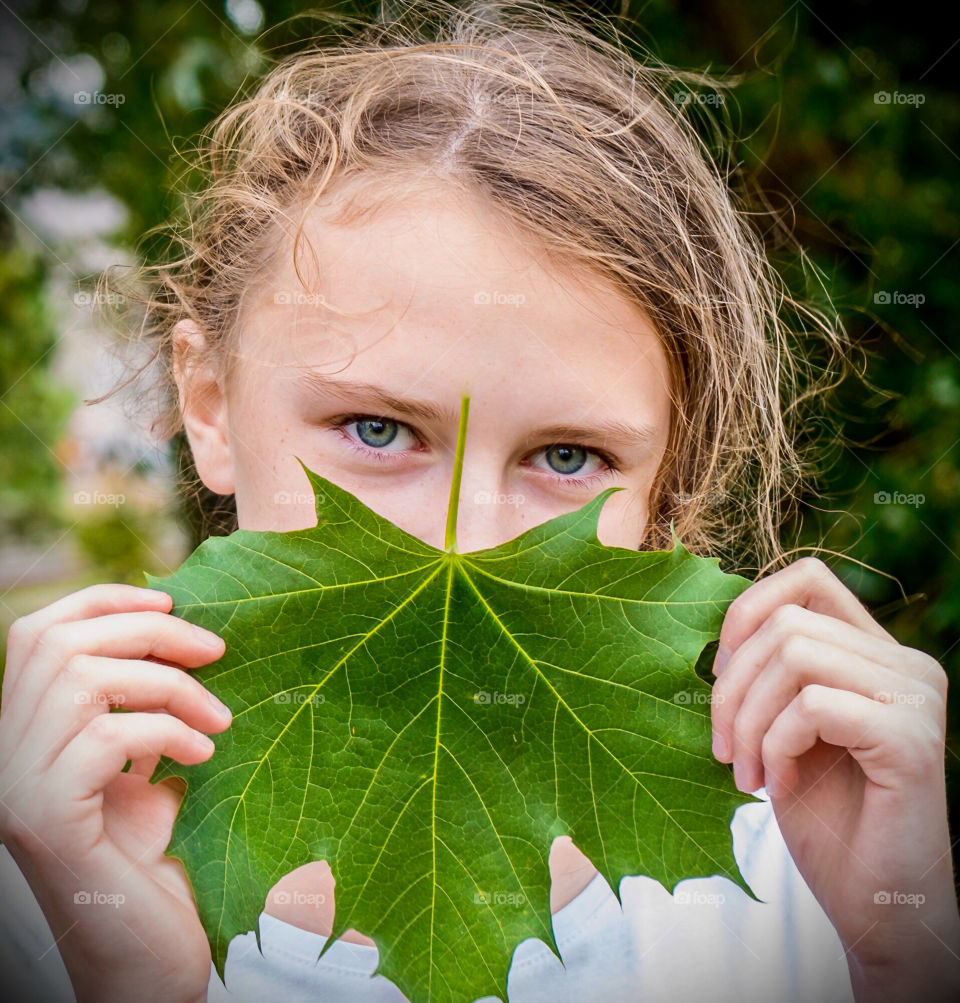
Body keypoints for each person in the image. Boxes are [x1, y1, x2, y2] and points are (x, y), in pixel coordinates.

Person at [1, 2, 957, 1000]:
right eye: (378, 430)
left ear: (671, 488)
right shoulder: (49, 880)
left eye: (569, 455)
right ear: (206, 405)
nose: (463, 535)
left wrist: (907, 949)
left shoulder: (784, 884)